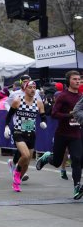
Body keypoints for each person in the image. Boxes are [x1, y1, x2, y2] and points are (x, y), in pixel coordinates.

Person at [37, 70, 83, 200]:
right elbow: (53, 113)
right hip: (62, 133)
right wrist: (70, 115)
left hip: (76, 133)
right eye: (74, 79)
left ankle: (77, 187)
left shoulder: (81, 96)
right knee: (57, 162)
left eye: (79, 79)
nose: (77, 81)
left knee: (77, 159)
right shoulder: (63, 96)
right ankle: (47, 157)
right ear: (68, 81)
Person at [4, 80, 47, 192]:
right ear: (24, 89)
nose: (33, 90)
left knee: (27, 162)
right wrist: (7, 127)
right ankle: (17, 173)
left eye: (34, 88)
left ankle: (16, 179)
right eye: (30, 87)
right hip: (19, 131)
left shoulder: (38, 102)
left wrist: (43, 122)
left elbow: (43, 115)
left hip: (31, 133)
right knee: (25, 155)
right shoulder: (18, 101)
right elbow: (8, 116)